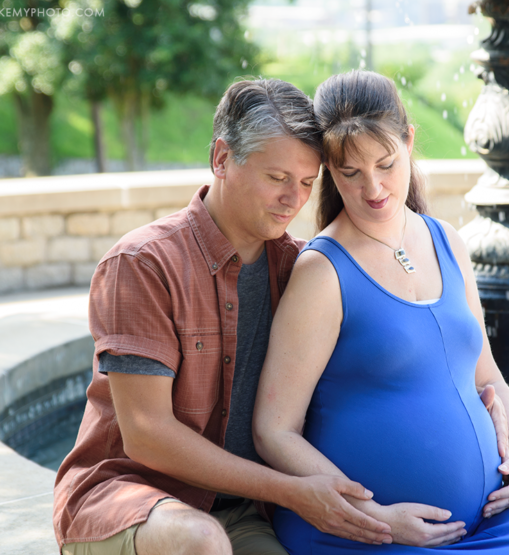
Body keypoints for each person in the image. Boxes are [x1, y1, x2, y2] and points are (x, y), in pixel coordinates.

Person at [253, 70, 509, 554]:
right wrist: (376, 517)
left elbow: (486, 374)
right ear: (329, 168)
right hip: (367, 531)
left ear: (409, 142)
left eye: (386, 164)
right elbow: (273, 431)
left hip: (487, 518)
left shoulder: (447, 241)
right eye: (350, 173)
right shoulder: (322, 271)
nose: (374, 188)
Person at [52, 79, 403, 555]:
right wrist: (291, 492)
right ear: (221, 158)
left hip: (240, 511)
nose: (293, 199)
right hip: (125, 498)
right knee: (201, 540)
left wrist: (483, 391)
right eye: (277, 178)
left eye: (306, 183)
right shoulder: (142, 264)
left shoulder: (301, 271)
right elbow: (147, 435)